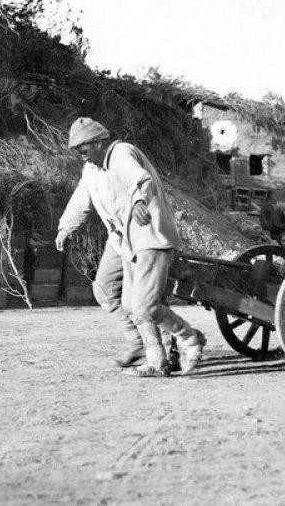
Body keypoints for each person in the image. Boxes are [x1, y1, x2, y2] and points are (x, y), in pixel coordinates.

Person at [56, 117, 205, 377]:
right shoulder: (92, 168)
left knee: (145, 305)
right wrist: (66, 228)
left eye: (85, 150)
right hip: (124, 241)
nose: (83, 157)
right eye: (79, 152)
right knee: (124, 300)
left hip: (149, 236)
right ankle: (155, 359)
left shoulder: (120, 154)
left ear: (99, 142)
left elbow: (141, 180)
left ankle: (189, 338)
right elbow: (81, 200)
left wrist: (138, 202)